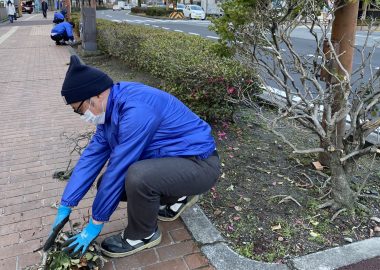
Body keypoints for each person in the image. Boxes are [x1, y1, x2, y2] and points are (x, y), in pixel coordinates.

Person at [42, 55, 220, 258]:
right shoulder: (110, 111)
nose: (83, 116)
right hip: (176, 161)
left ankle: (143, 235)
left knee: (136, 176)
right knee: (108, 185)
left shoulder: (137, 109)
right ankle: (176, 196)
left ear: (97, 96)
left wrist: (95, 224)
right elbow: (91, 158)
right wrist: (66, 204)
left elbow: (120, 167)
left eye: (80, 109)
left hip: (200, 164)